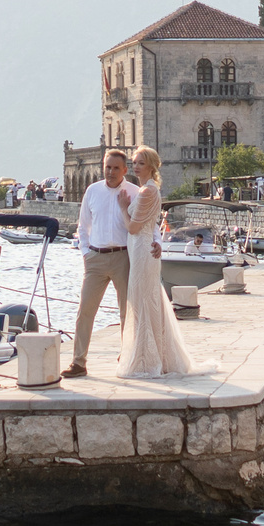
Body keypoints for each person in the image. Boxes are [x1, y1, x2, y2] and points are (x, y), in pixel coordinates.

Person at [118, 148, 194, 378]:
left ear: (151, 166)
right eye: (134, 162)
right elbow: (152, 226)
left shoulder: (147, 192)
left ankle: (146, 360)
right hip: (143, 249)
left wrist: (123, 207)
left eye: (141, 163)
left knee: (142, 301)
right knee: (148, 301)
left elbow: (133, 227)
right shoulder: (148, 189)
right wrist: (156, 240)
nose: (136, 166)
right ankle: (153, 356)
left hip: (142, 252)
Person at [68, 149, 135, 378]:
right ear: (102, 167)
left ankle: (126, 357)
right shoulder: (92, 191)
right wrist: (85, 253)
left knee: (126, 312)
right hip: (95, 258)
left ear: (125, 170)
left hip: (122, 257)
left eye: (116, 168)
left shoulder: (134, 193)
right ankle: (78, 362)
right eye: (108, 167)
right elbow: (83, 226)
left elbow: (145, 226)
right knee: (85, 310)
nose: (111, 172)